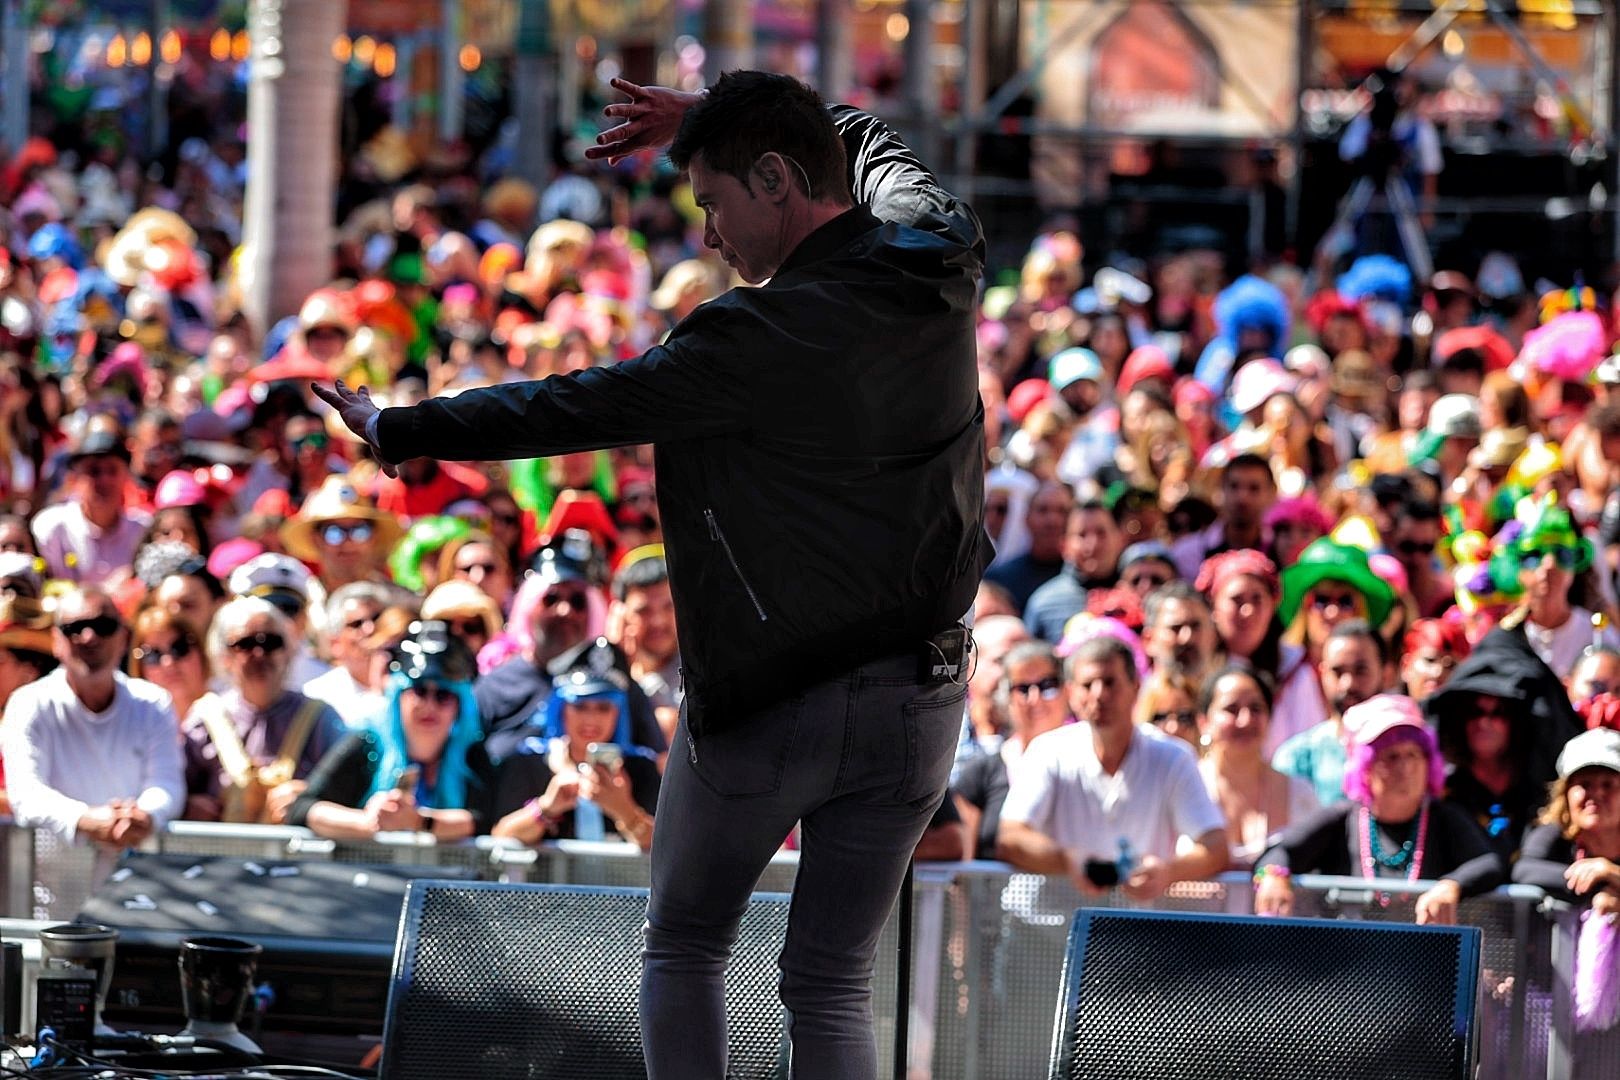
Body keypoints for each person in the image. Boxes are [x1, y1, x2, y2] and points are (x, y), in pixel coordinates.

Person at [318, 72, 988, 1079]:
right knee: (831, 984)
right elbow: (865, 137)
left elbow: (574, 406)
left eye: (714, 202)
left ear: (773, 179)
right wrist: (714, 120)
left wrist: (401, 426)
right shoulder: (939, 246)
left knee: (683, 943)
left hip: (775, 699)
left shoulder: (751, 336)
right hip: (918, 703)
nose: (711, 236)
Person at [997, 637, 1228, 899]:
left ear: (1136, 686)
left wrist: (1168, 872)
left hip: (1133, 929)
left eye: (1109, 682)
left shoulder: (1173, 757)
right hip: (1044, 932)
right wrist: (1068, 861)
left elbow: (1216, 847)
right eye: (1087, 685)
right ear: (1071, 693)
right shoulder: (1047, 751)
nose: (1099, 695)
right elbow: (1011, 837)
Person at [1255, 695, 1505, 925]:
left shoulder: (1445, 818)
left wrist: (1452, 885)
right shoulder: (1342, 818)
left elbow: (1488, 863)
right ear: (1364, 767)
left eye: (1413, 754)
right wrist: (1274, 877)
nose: (1405, 767)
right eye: (1391, 756)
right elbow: (1279, 852)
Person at [2, 587, 185, 848]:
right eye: (75, 628)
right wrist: (87, 820)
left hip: (136, 881)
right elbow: (27, 794)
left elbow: (167, 783)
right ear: (56, 640)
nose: (89, 637)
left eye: (103, 625)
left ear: (124, 637)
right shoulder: (28, 704)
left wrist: (142, 816)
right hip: (50, 886)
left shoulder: (153, 703)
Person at [289, 622, 495, 842]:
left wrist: (418, 822)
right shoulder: (367, 743)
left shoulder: (473, 753)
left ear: (460, 705)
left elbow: (485, 820)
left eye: (443, 696)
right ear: (398, 696)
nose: (429, 706)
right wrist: (368, 822)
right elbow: (302, 808)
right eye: (419, 691)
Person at [181, 597, 345, 824]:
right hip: (218, 855)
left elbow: (351, 793)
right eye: (244, 644)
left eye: (270, 642)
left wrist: (312, 799)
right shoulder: (205, 718)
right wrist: (189, 804)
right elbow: (175, 788)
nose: (258, 654)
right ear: (224, 656)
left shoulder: (320, 718)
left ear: (289, 652)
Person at [489, 668, 660, 850]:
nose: (591, 719)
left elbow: (663, 847)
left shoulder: (641, 766)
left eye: (603, 708)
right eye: (580, 706)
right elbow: (501, 836)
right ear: (561, 710)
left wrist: (624, 810)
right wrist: (546, 809)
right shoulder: (529, 762)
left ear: (618, 714)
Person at [952, 640, 1067, 860]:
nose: (1035, 699)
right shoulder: (981, 772)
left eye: (1048, 685)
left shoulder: (1091, 761)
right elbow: (961, 872)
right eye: (1022, 688)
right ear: (1006, 698)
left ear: (1068, 690)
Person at [1198, 662, 1319, 867]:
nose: (1245, 720)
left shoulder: (1301, 793)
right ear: (1204, 722)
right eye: (1231, 709)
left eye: (1256, 708)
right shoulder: (1183, 786)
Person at [1273, 620, 1386, 806]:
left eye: (1361, 671)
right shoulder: (1296, 758)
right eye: (1337, 672)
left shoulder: (1406, 754)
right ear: (1322, 673)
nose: (1348, 684)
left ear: (1385, 673)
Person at [1513, 728, 1620, 915]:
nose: (1596, 794)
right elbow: (1523, 869)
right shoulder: (1553, 833)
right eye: (1585, 784)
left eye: (1607, 784)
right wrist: (1597, 885)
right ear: (1565, 793)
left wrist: (1610, 871)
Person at [30, 426, 151, 582]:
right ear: (74, 478)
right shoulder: (51, 528)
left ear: (127, 477)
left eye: (112, 470)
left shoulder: (143, 530)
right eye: (94, 471)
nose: (104, 480)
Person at [1023, 499, 1123, 643]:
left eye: (1101, 533)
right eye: (1082, 535)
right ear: (1064, 545)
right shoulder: (1044, 604)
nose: (1092, 545)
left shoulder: (1138, 591)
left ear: (1119, 538)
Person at [303, 582, 391, 727]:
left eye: (377, 618)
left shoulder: (412, 684)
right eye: (357, 624)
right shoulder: (316, 698)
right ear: (335, 643)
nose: (370, 629)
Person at [128, 607, 209, 726]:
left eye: (179, 647)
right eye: (153, 655)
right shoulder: (136, 731)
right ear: (140, 669)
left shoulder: (233, 709)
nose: (168, 663)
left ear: (201, 652)